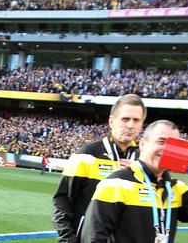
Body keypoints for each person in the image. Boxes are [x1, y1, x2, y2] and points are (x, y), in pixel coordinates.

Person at [80, 120, 188, 242]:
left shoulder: (174, 187)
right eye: (161, 142)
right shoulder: (115, 184)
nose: (165, 149)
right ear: (143, 144)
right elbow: (92, 237)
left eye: (172, 144)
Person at [52, 94, 146, 243]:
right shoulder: (86, 155)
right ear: (111, 121)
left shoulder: (144, 161)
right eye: (125, 119)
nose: (130, 125)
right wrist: (67, 239)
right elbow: (62, 201)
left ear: (142, 124)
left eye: (136, 120)